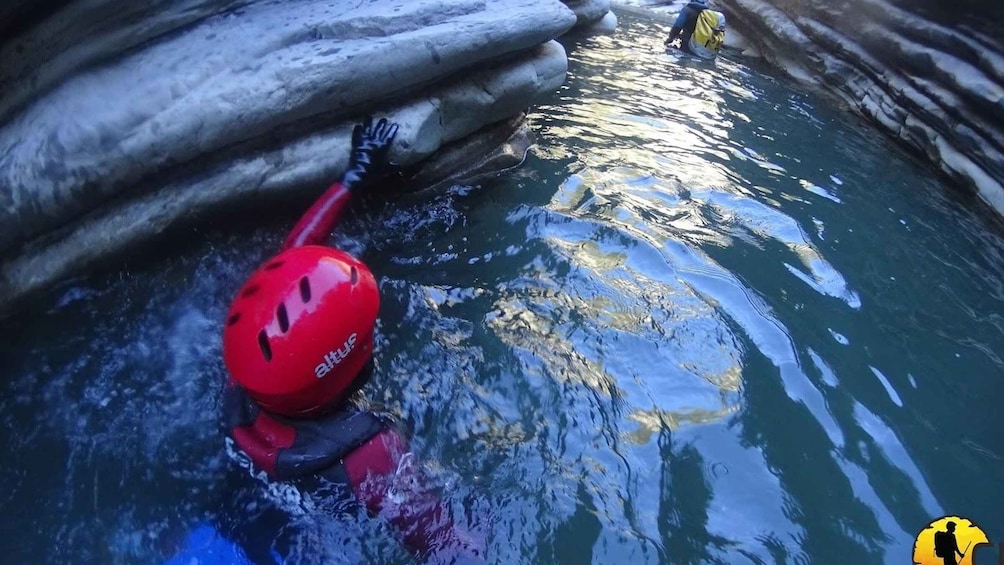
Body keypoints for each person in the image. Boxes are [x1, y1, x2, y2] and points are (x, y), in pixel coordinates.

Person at [164, 117, 486, 565]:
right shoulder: (371, 456)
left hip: (216, 532)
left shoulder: (245, 374)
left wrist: (352, 177)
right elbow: (448, 550)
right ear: (344, 367)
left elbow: (288, 269)